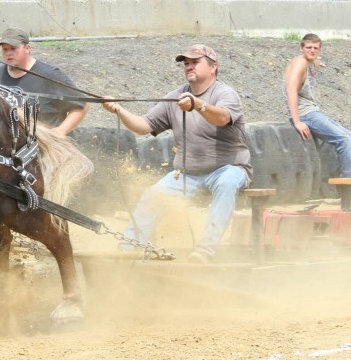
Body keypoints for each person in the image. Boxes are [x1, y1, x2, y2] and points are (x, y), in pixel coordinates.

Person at [103, 44, 251, 263]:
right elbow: (144, 126)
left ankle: (204, 251)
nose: (189, 67)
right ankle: (129, 249)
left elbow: (221, 118)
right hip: (187, 173)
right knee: (152, 196)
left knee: (227, 183)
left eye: (195, 62)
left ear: (213, 67)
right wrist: (119, 110)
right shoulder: (177, 96)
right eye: (186, 64)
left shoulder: (225, 93)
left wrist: (198, 105)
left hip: (228, 168)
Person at [284, 34, 351, 207]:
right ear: (301, 48)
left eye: (315, 48)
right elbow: (290, 90)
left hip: (313, 110)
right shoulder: (300, 63)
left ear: (320, 49)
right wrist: (297, 121)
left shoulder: (314, 64)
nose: (312, 51)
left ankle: (347, 189)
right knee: (345, 139)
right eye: (308, 47)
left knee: (350, 136)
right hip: (306, 113)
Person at [0, 28, 89, 137]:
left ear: (27, 48)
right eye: (5, 49)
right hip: (14, 146)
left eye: (13, 48)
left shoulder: (49, 75)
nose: (8, 53)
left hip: (49, 145)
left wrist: (61, 131)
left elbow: (82, 105)